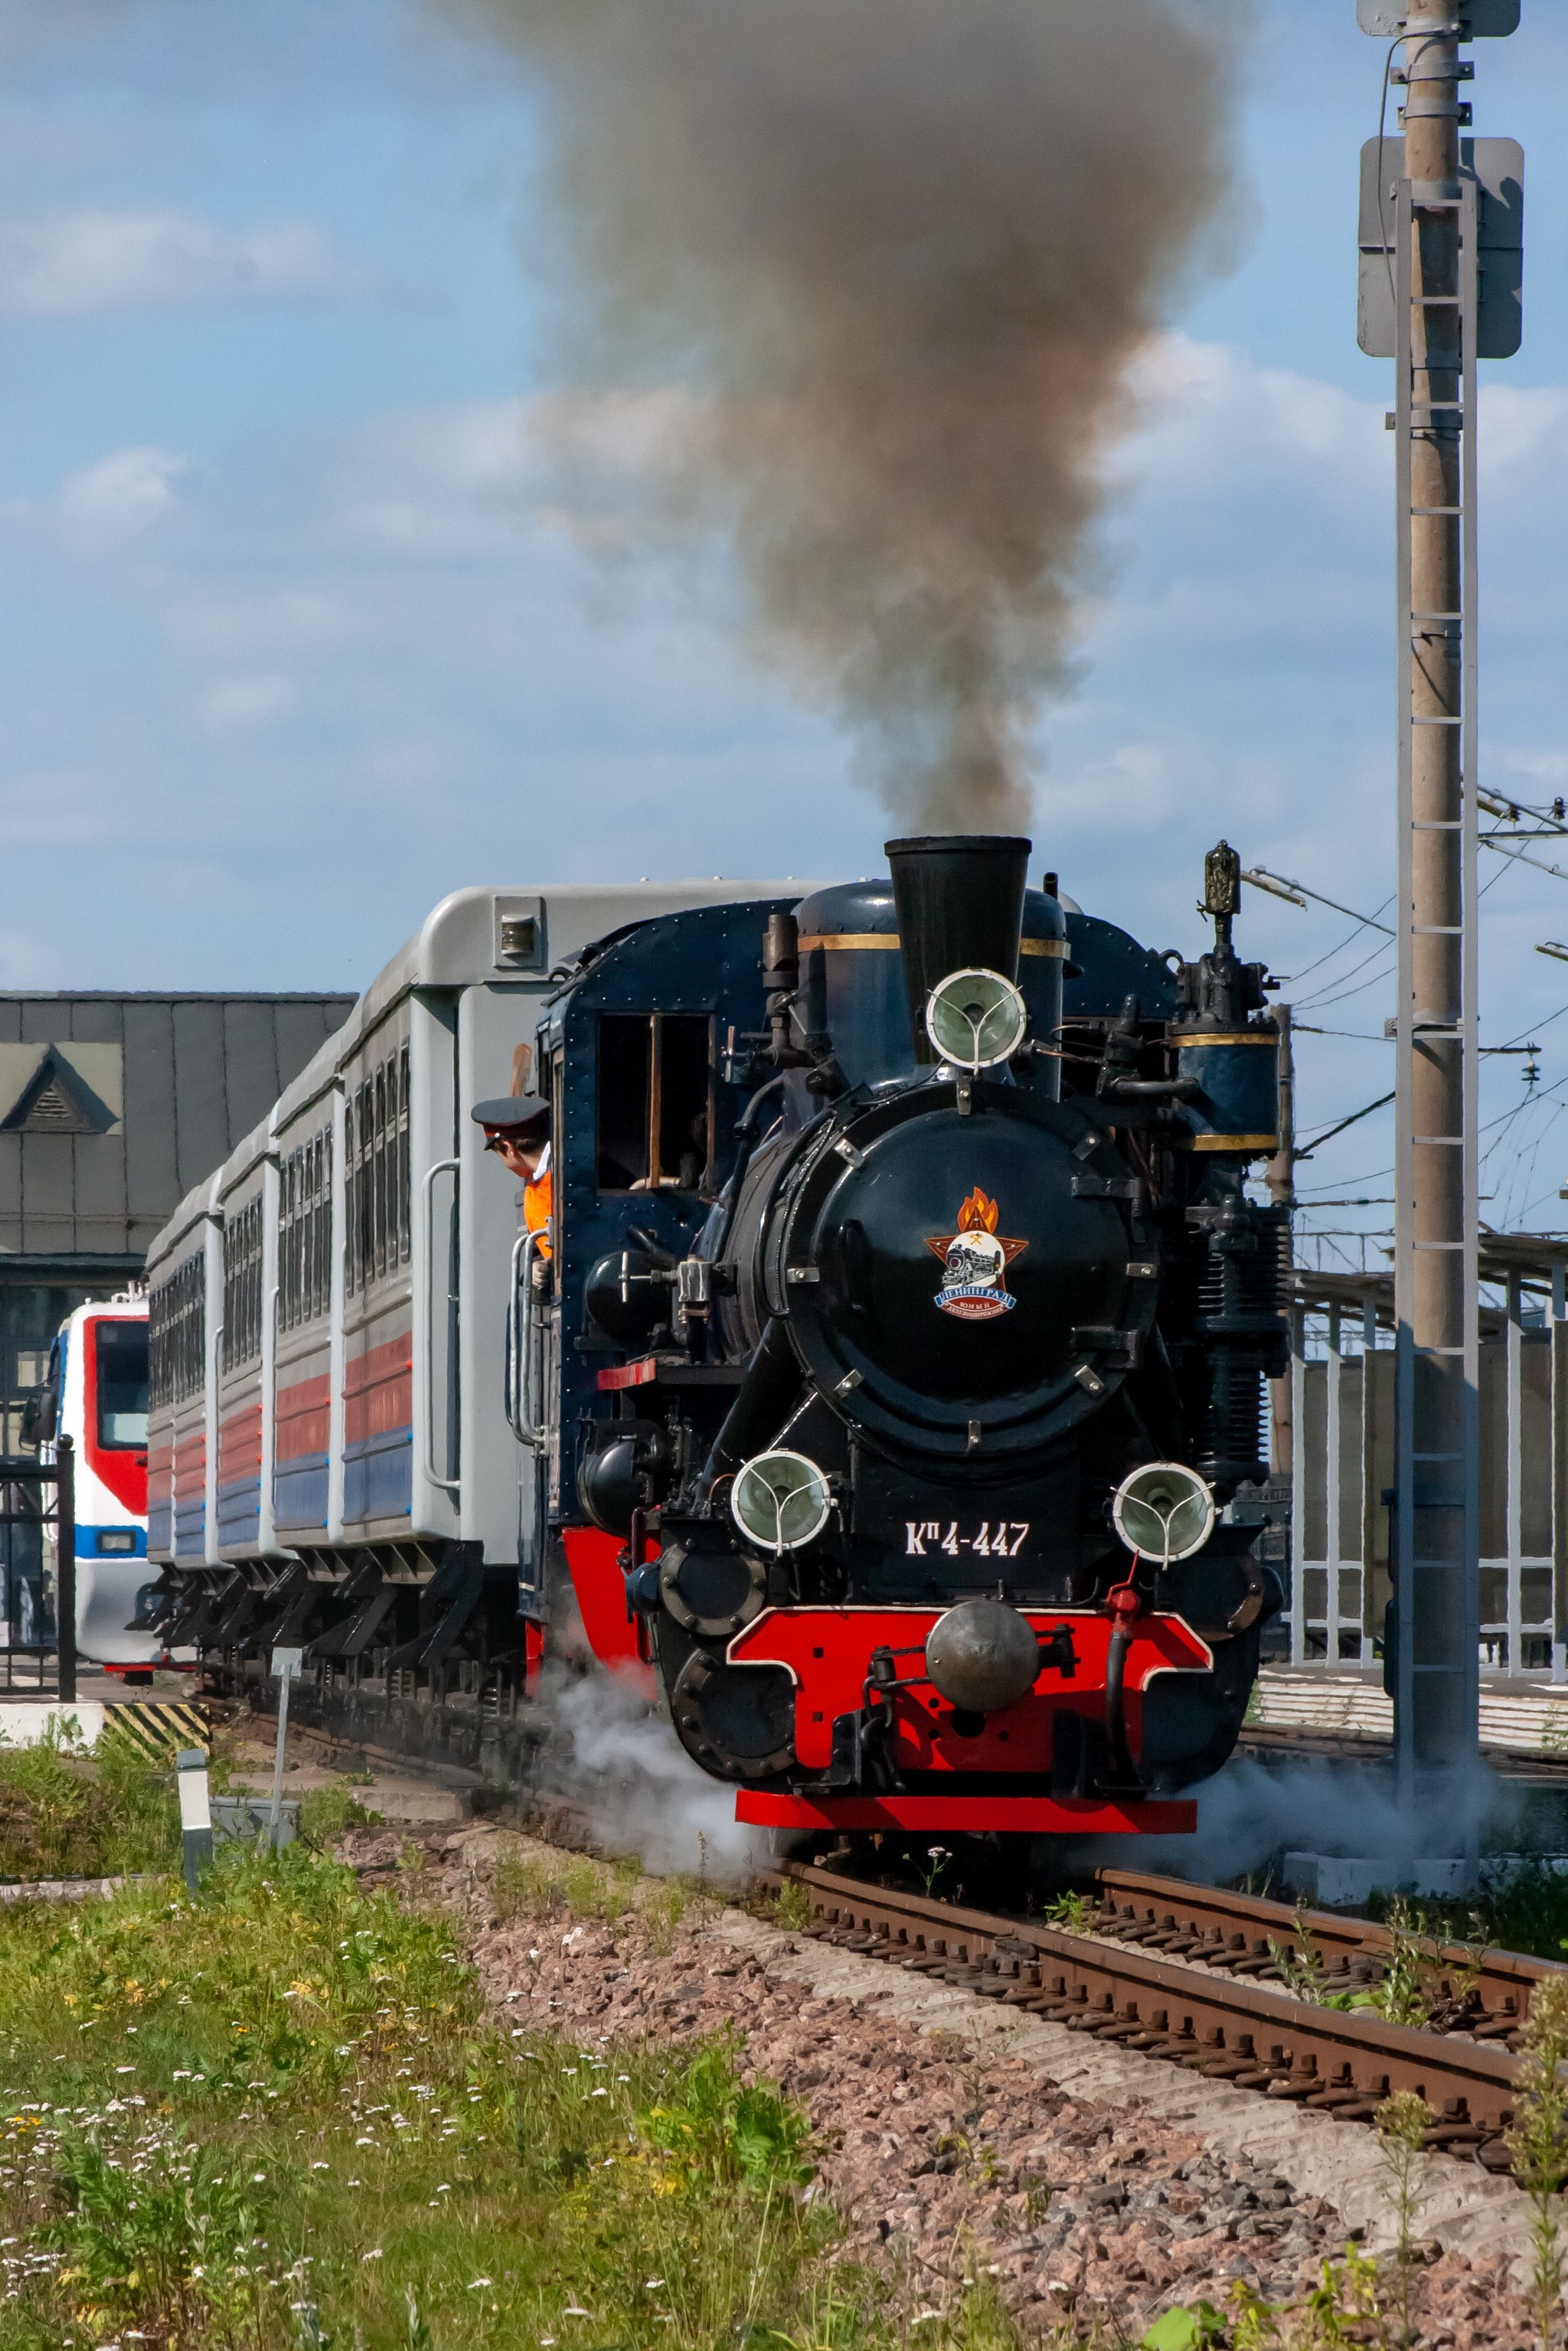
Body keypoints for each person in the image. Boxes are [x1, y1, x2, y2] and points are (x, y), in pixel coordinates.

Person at [472, 1092, 552, 1277]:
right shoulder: (532, 1188)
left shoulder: (564, 1172)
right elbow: (538, 1252)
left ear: (509, 1148)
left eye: (498, 1153)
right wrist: (536, 1271)